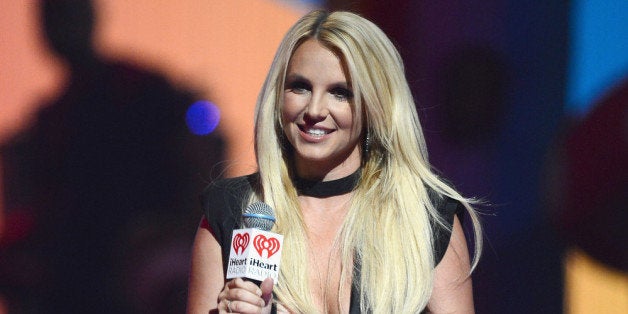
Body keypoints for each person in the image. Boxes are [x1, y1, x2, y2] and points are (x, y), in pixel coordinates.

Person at [188, 10, 482, 313]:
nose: (314, 109)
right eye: (300, 87)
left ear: (375, 106)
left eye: (340, 93)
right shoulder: (231, 210)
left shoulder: (423, 216)